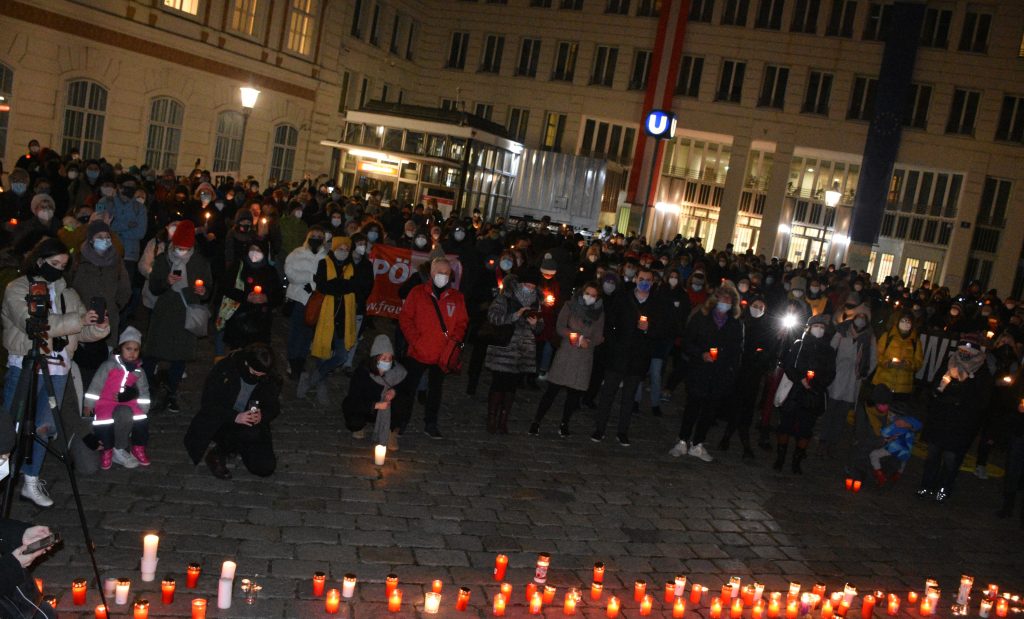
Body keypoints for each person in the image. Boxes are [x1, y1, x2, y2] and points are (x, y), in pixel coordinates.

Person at [2, 238, 109, 507]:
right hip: (26, 364)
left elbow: (79, 330)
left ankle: (31, 480)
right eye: (54, 263)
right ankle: (4, 475)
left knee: (44, 427)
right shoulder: (17, 288)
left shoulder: (68, 293)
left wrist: (97, 326)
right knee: (12, 426)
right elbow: (33, 324)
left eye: (63, 265)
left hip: (58, 368)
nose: (59, 269)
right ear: (40, 260)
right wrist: (77, 320)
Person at [593, 266, 670, 446]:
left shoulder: (657, 304)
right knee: (608, 394)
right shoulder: (623, 298)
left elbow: (663, 329)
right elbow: (610, 323)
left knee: (629, 397)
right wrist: (613, 345)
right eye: (642, 279)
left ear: (653, 282)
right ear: (636, 278)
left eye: (648, 280)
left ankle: (622, 431)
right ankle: (599, 429)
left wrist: (649, 329)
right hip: (618, 355)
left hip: (638, 358)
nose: (645, 283)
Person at [669, 282, 745, 462]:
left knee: (709, 411)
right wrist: (700, 354)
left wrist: (730, 372)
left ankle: (698, 443)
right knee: (692, 408)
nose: (725, 303)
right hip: (699, 371)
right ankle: (682, 440)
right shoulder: (701, 318)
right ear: (715, 299)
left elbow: (736, 351)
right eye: (723, 299)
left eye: (729, 300)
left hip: (719, 374)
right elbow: (687, 342)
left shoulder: (735, 324)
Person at [142, 220, 212, 414]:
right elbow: (154, 286)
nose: (182, 252)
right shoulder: (163, 259)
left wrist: (203, 291)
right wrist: (166, 281)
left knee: (180, 357)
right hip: (164, 312)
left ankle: (171, 392)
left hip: (186, 313)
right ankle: (146, 388)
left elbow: (208, 288)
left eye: (186, 249)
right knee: (153, 352)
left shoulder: (200, 262)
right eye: (179, 248)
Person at [184, 344, 281, 479]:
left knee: (265, 468)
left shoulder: (268, 376)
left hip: (250, 424)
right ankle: (218, 453)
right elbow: (208, 403)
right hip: (222, 419)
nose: (258, 378)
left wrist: (262, 415)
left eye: (262, 375)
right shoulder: (226, 368)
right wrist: (235, 416)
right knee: (245, 432)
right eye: (255, 373)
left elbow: (273, 406)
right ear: (247, 363)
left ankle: (238, 446)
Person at [397, 257, 468, 439]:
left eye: (446, 273)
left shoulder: (457, 298)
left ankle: (430, 423)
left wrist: (453, 343)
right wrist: (415, 340)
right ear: (431, 273)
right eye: (439, 272)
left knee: (435, 390)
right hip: (418, 351)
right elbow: (405, 318)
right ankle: (401, 422)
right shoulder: (417, 293)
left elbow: (462, 323)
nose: (442, 276)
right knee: (408, 389)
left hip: (442, 354)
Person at [917, 334, 992, 502]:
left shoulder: (981, 372)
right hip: (941, 418)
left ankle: (944, 488)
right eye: (962, 349)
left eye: (968, 350)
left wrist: (961, 399)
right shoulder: (949, 362)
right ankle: (926, 485)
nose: (964, 353)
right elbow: (936, 385)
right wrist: (937, 393)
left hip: (960, 424)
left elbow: (982, 401)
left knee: (951, 458)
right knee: (933, 455)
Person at [530, 282, 605, 437]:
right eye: (587, 293)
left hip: (584, 357)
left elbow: (599, 336)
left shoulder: (599, 313)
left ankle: (565, 423)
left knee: (574, 394)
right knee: (552, 390)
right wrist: (574, 336)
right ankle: (537, 421)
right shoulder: (570, 305)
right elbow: (560, 327)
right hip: (566, 354)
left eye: (593, 295)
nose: (590, 297)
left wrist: (589, 342)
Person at [773, 314, 836, 474]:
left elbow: (831, 373)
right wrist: (800, 379)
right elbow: (789, 365)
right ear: (809, 328)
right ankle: (780, 458)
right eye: (816, 326)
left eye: (822, 327)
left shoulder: (828, 350)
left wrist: (816, 383)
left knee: (806, 430)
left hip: (813, 394)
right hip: (794, 391)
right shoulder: (798, 345)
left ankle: (797, 461)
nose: (819, 329)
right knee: (785, 426)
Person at [483, 268, 543, 434]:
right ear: (520, 283)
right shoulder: (506, 297)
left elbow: (540, 327)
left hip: (522, 350)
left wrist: (535, 324)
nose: (530, 289)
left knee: (511, 388)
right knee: (498, 384)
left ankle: (503, 420)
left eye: (533, 287)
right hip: (504, 347)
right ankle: (491, 418)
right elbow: (493, 317)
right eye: (527, 285)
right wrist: (514, 316)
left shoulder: (537, 302)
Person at [83, 326, 151, 469]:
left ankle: (138, 447)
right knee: (103, 422)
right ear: (120, 348)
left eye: (136, 349)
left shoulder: (139, 370)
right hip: (106, 401)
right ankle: (107, 449)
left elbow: (143, 390)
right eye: (128, 349)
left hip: (128, 402)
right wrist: (89, 403)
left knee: (141, 420)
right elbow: (96, 385)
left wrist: (143, 408)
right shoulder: (109, 366)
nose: (132, 353)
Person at [718, 294, 776, 458]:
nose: (757, 309)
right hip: (737, 371)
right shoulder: (740, 322)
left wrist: (760, 356)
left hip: (753, 374)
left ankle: (743, 438)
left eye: (761, 307)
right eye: (755, 306)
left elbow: (769, 351)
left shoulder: (767, 328)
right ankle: (728, 436)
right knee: (735, 404)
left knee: (748, 406)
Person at [303, 236, 359, 405]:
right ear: (333, 249)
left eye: (346, 249)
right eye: (340, 248)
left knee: (341, 356)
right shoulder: (324, 263)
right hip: (325, 316)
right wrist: (342, 285)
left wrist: (336, 285)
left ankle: (312, 379)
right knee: (323, 354)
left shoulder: (352, 266)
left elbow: (354, 286)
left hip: (343, 318)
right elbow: (323, 286)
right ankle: (321, 386)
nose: (343, 251)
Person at [821, 304, 877, 456]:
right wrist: (829, 367)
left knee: (842, 413)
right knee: (830, 409)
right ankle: (823, 439)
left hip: (854, 380)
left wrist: (864, 373)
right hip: (837, 375)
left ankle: (833, 441)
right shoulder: (842, 331)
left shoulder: (869, 337)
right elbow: (831, 349)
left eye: (864, 317)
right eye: (859, 316)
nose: (861, 319)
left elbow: (873, 359)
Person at [342, 334, 407, 451]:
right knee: (354, 419)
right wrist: (375, 405)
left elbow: (405, 387)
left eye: (390, 358)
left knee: (401, 402)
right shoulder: (362, 372)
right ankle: (360, 427)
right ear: (375, 358)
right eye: (384, 358)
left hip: (386, 409)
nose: (387, 361)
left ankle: (391, 431)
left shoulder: (397, 371)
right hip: (369, 407)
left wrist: (394, 391)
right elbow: (354, 399)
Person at [284, 226, 327, 380]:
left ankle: (300, 361)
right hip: (298, 298)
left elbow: (325, 277)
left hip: (315, 299)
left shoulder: (325, 257)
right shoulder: (297, 253)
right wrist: (309, 277)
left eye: (319, 236)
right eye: (313, 235)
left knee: (308, 333)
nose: (316, 238)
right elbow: (290, 274)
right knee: (296, 331)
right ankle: (291, 361)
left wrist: (314, 285)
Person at [864, 384, 922, 486]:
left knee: (874, 455)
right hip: (905, 451)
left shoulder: (896, 424)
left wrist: (882, 431)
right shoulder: (910, 421)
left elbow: (884, 433)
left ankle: (879, 473)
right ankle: (898, 473)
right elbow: (918, 425)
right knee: (903, 460)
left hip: (893, 448)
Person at [872, 309, 924, 399]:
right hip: (883, 383)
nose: (905, 323)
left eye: (908, 321)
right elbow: (877, 354)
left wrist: (907, 364)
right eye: (903, 321)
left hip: (903, 389)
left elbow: (919, 362)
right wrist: (887, 362)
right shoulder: (887, 336)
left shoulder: (915, 341)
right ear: (898, 321)